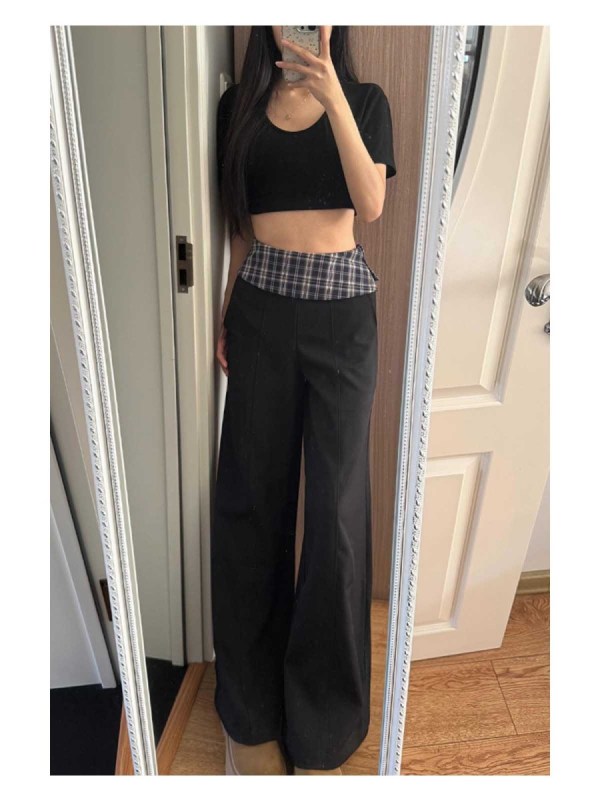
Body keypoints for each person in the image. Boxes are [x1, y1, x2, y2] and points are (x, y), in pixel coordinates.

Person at [212, 25, 396, 776]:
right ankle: (250, 710)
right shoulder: (237, 108)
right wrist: (226, 306)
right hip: (261, 310)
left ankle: (323, 725)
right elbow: (237, 227)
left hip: (341, 320)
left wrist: (332, 98)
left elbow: (371, 204)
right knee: (250, 506)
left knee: (336, 522)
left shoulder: (366, 101)